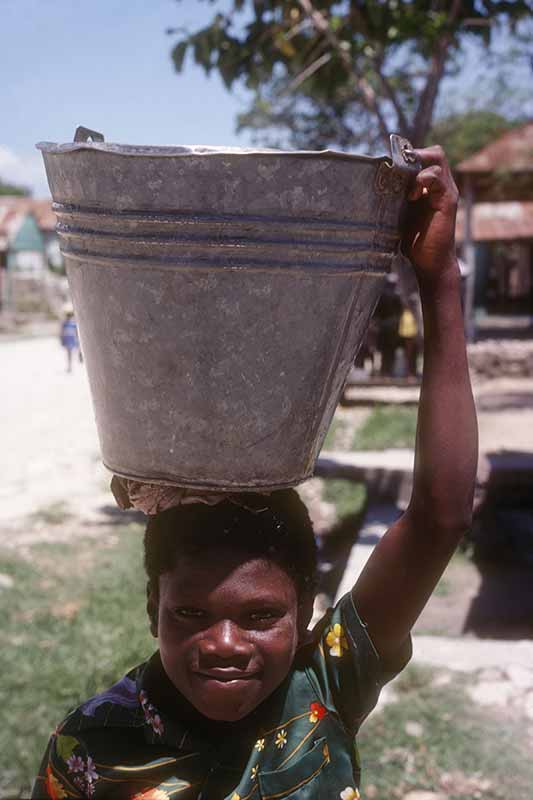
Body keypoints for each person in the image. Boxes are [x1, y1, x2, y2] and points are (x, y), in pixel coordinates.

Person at [32, 146, 478, 800]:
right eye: (187, 611)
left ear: (305, 614)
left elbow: (439, 519)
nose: (222, 643)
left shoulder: (324, 684)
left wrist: (438, 280)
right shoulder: (92, 746)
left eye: (260, 615)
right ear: (151, 606)